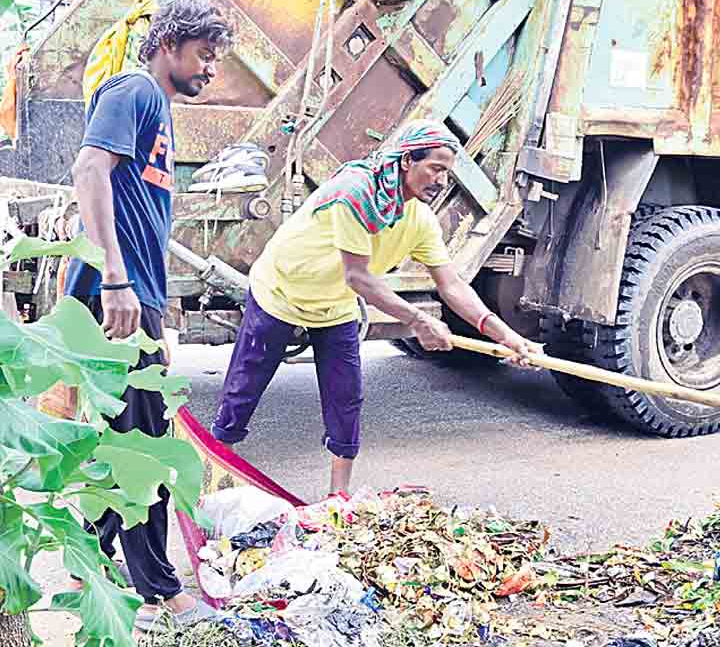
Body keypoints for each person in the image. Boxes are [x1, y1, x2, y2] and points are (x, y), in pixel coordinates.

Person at [212, 120, 541, 496]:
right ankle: (215, 475)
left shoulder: (419, 220)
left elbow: (451, 285)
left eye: (447, 173)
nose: (440, 181)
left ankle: (338, 498)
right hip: (280, 292)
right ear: (407, 161)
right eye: (435, 168)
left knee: (346, 397)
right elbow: (358, 277)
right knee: (244, 388)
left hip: (335, 306)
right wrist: (418, 320)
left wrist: (508, 337)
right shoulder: (355, 194)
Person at [63, 0, 232, 635]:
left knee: (128, 436)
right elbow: (88, 169)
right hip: (117, 291)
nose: (211, 70)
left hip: (137, 294)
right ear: (168, 45)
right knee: (148, 445)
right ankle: (160, 589)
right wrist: (115, 279)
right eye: (204, 55)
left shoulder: (155, 108)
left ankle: (85, 559)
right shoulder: (132, 91)